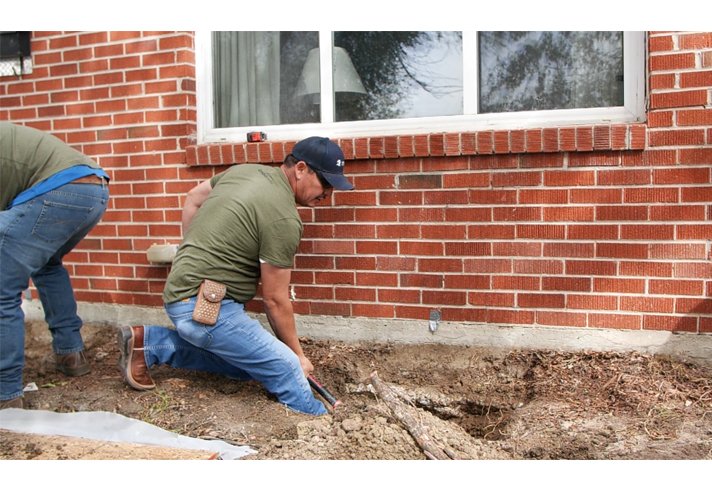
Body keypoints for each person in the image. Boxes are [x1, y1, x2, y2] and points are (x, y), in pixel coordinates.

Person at [118, 136, 354, 415]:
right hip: (205, 308)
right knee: (285, 368)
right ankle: (317, 417)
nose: (328, 194)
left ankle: (150, 343)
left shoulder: (244, 171)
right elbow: (275, 300)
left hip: (181, 294)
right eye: (325, 183)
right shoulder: (284, 218)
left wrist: (193, 255)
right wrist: (298, 356)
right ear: (301, 169)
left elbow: (193, 198)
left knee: (251, 366)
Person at [0, 122, 110, 409]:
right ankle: (70, 353)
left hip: (56, 190)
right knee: (47, 266)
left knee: (2, 289)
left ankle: (6, 394)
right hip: (94, 191)